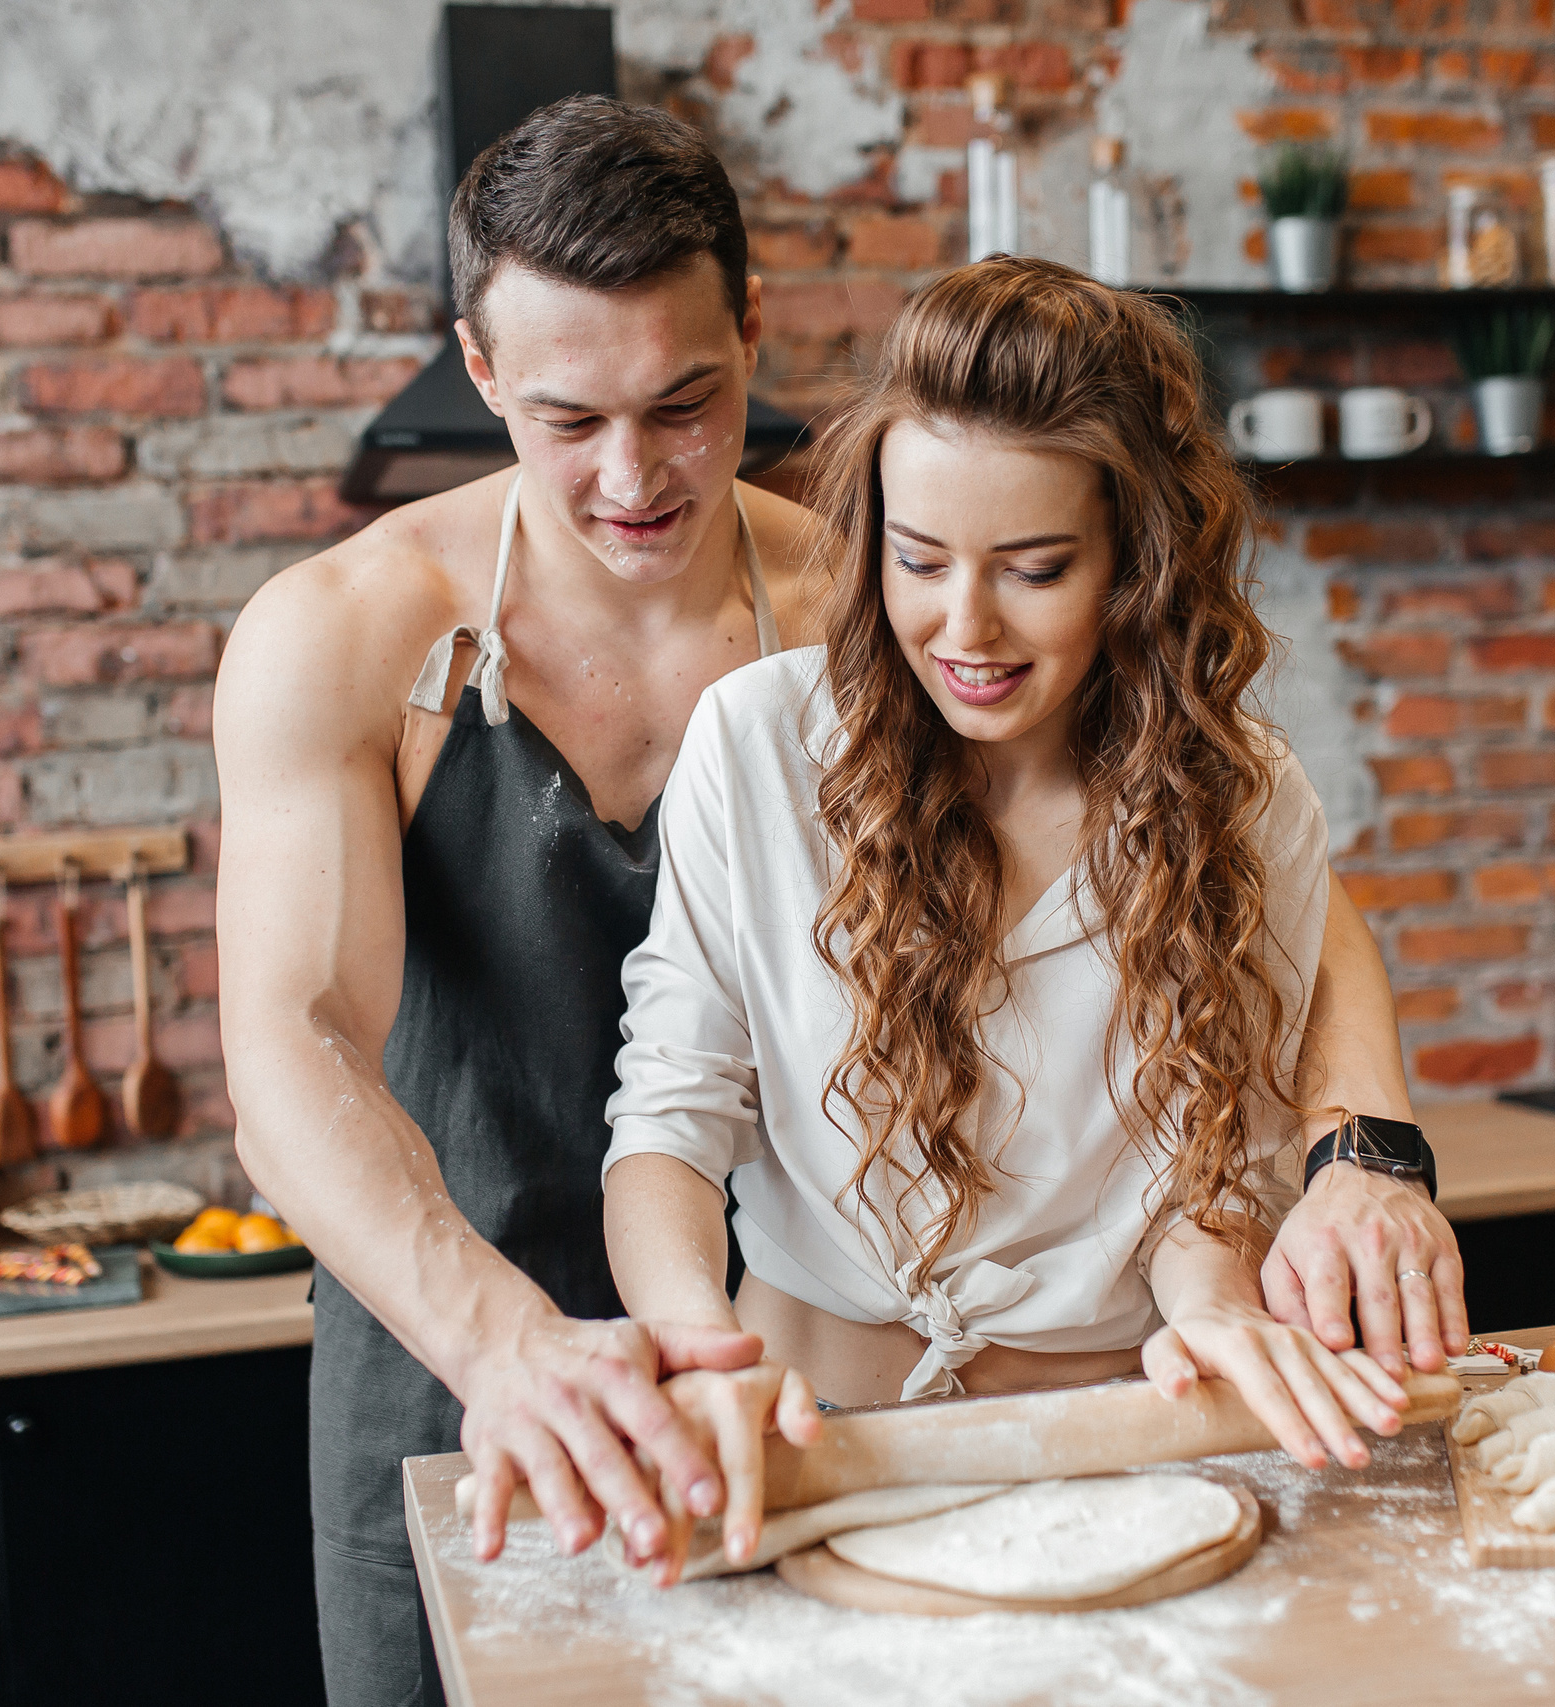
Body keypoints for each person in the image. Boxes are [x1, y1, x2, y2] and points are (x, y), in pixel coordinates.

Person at [601, 257, 1466, 1575]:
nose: (966, 625)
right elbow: (668, 1117)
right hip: (798, 1437)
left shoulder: (1238, 799)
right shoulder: (758, 746)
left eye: (1036, 568)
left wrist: (1220, 1304)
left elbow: (1204, 1167)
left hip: (1112, 1446)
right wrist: (686, 1346)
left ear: (1135, 560)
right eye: (920, 560)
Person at [213, 98, 826, 1707]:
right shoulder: (338, 632)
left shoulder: (867, 614)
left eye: (685, 404)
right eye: (568, 420)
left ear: (752, 333)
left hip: (791, 1377)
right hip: (448, 1367)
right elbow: (293, 1043)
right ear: (480, 372)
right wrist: (504, 1343)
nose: (632, 478)